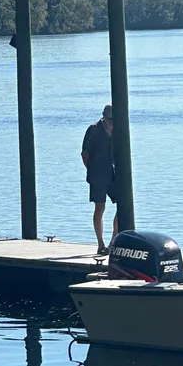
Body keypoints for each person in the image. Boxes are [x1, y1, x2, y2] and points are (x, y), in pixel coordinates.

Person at [81, 104, 117, 254]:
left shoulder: (119, 130)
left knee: (123, 206)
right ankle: (100, 243)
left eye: (113, 120)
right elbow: (84, 154)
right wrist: (92, 170)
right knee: (99, 208)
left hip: (115, 175)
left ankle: (113, 242)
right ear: (103, 117)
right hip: (97, 176)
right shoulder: (93, 130)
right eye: (109, 120)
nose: (111, 123)